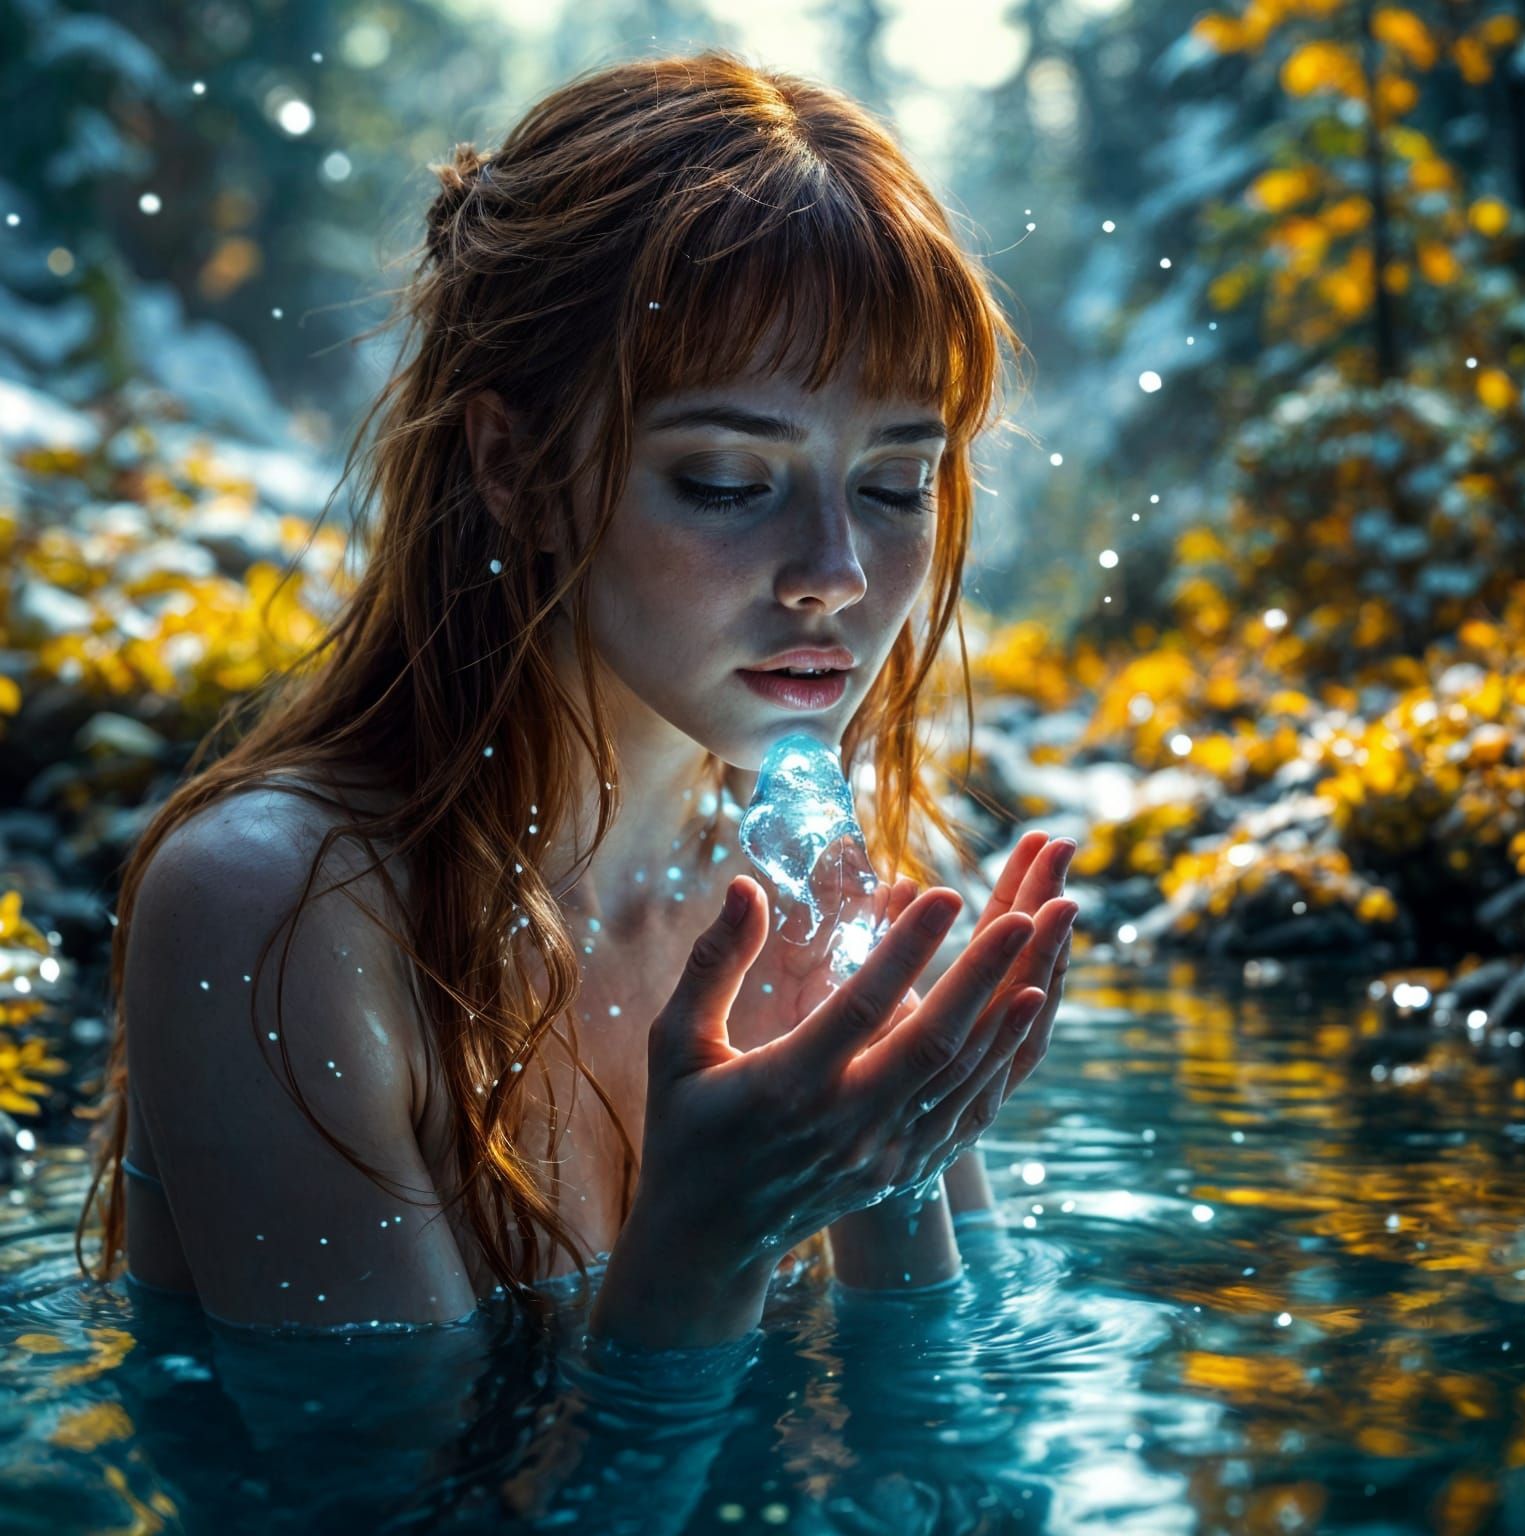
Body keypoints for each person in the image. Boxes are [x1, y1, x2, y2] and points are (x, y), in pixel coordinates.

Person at [71, 47, 1079, 1351]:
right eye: (727, 477)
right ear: (515, 466)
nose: (836, 573)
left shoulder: (800, 893)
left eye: (896, 485)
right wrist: (708, 1244)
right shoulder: (278, 912)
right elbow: (379, 1504)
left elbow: (952, 1445)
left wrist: (890, 1179)